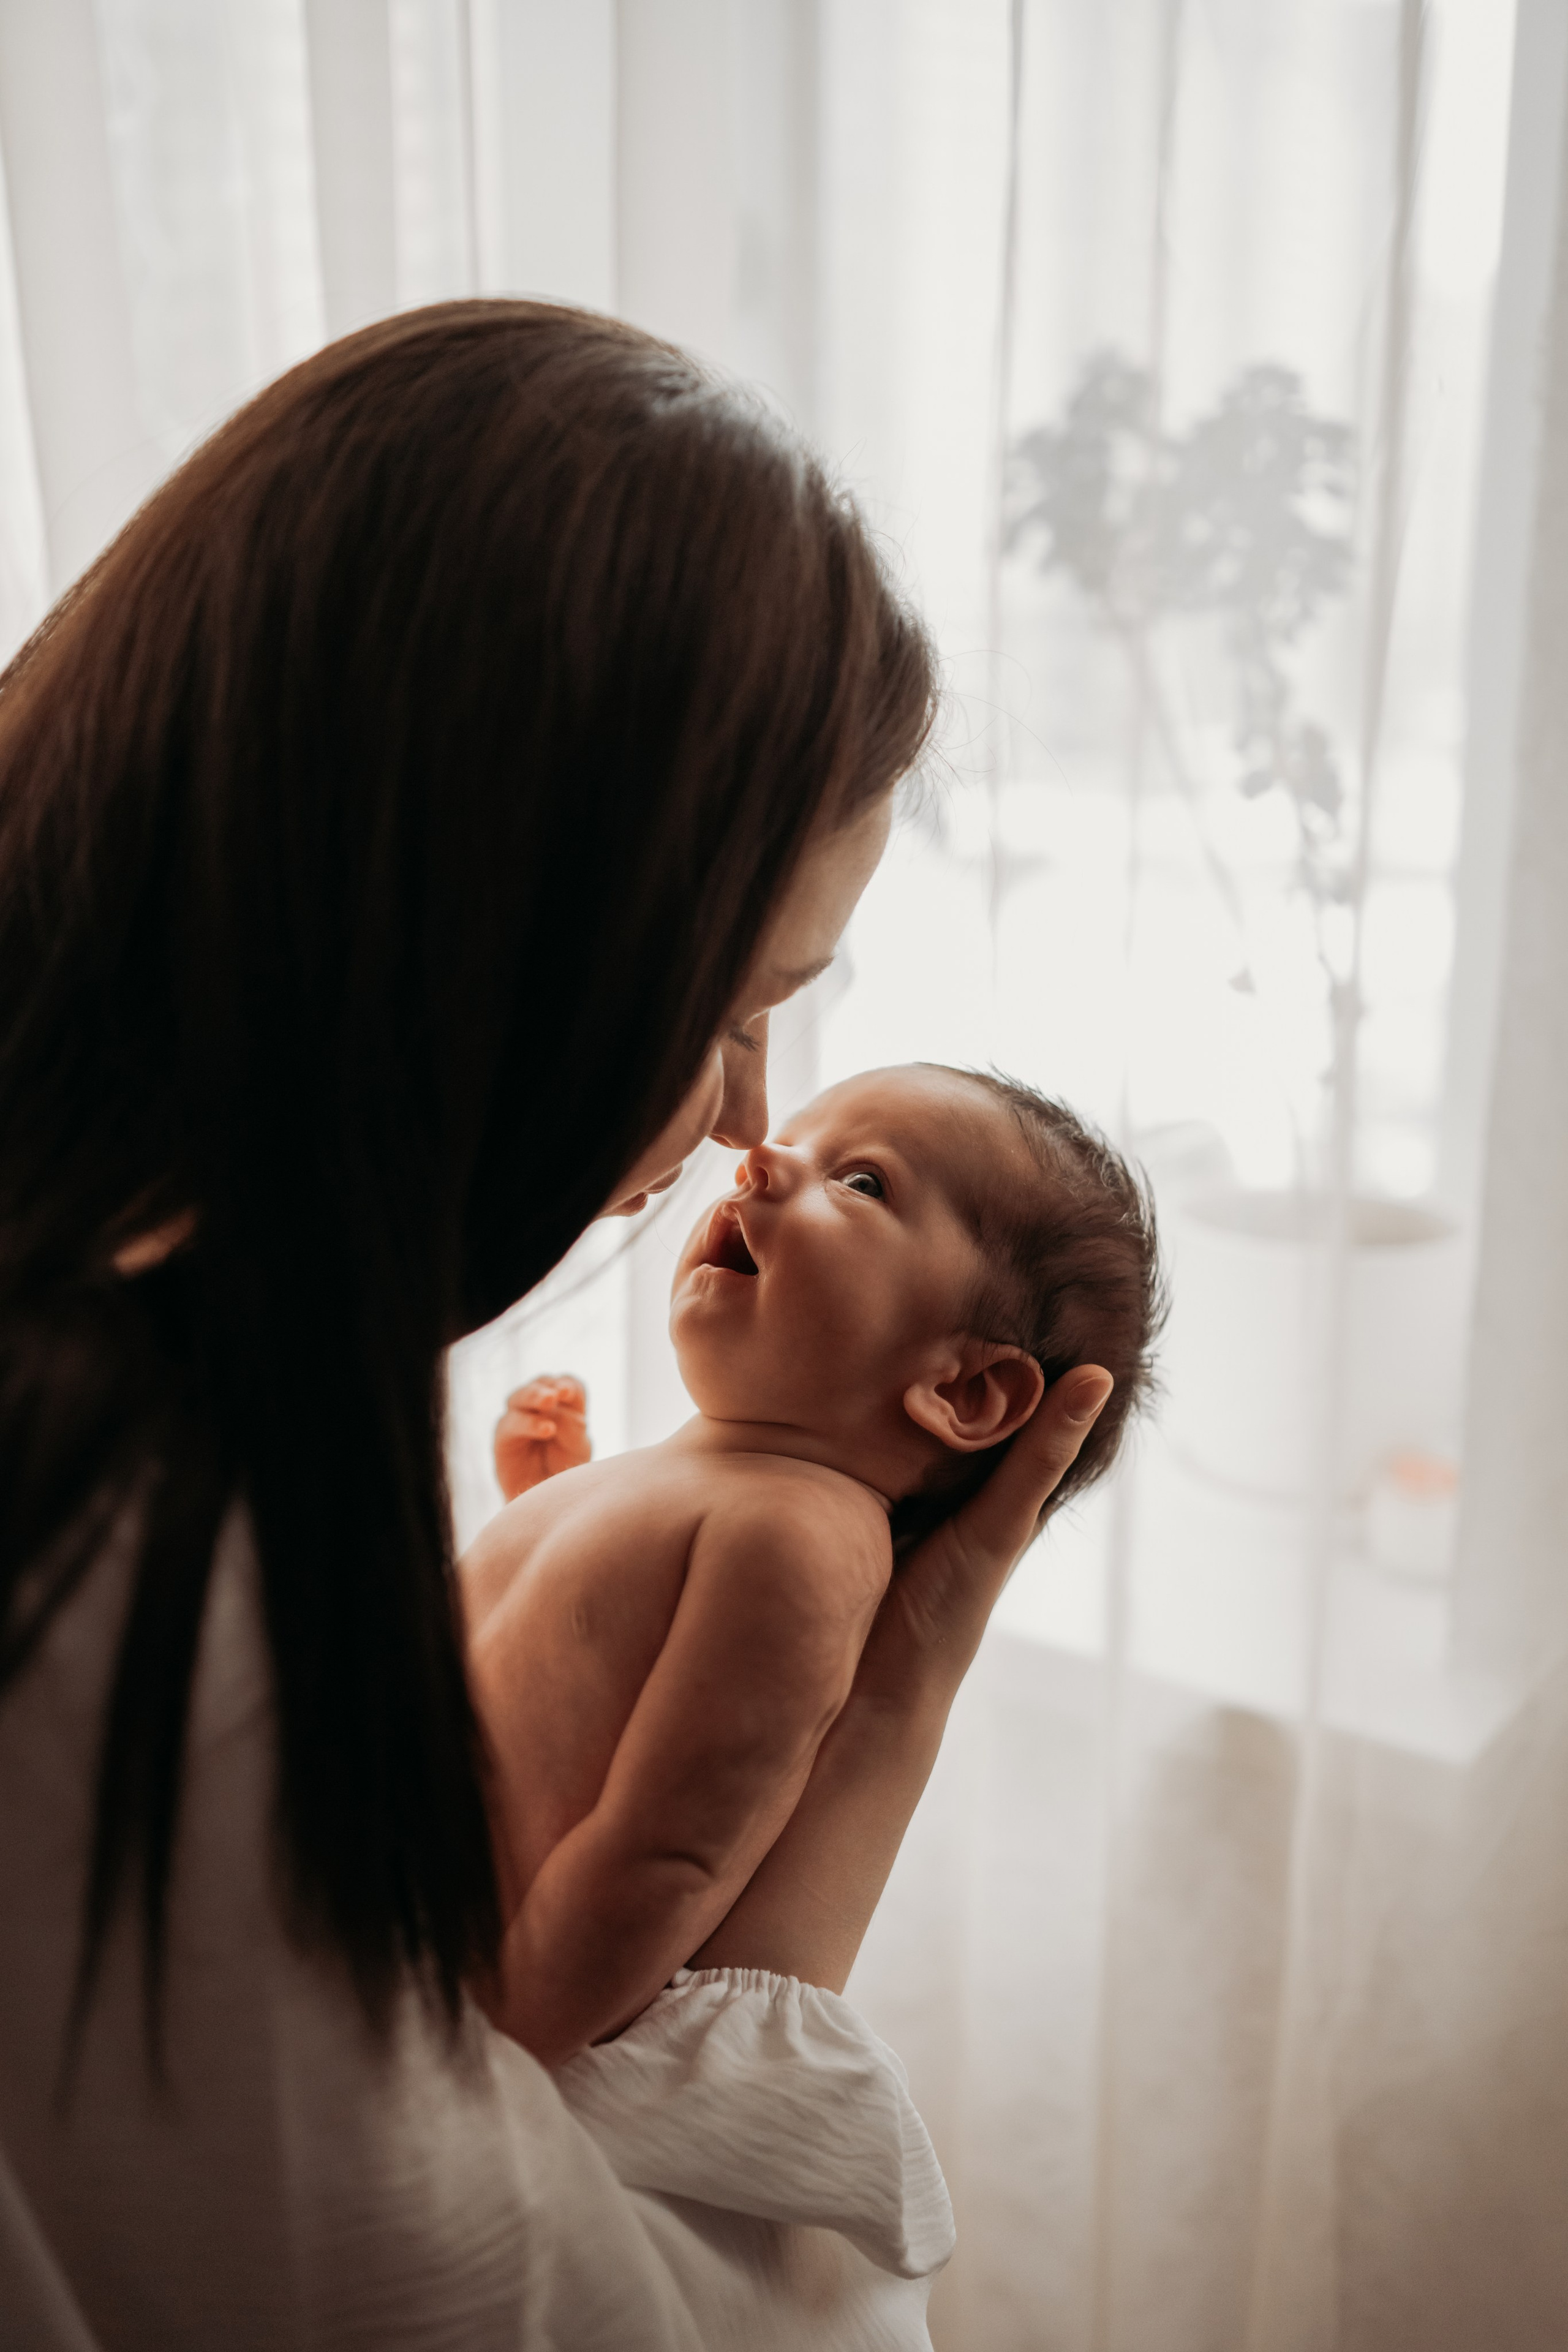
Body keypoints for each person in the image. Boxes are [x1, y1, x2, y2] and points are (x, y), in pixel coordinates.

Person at [0, 301, 1112, 2351]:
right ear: (493, 938)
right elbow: (486, 2289)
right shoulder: (133, 1551)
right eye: (734, 1008)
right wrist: (861, 1798)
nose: (747, 1125)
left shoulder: (144, 1383)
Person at [463, 1065, 1158, 2065]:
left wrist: (496, 2049)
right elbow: (575, 1689)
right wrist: (548, 1503)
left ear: (963, 1388)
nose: (762, 1157)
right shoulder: (704, 1479)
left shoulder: (802, 1537)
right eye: (795, 1137)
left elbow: (663, 1855)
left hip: (449, 1980)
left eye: (861, 1182)